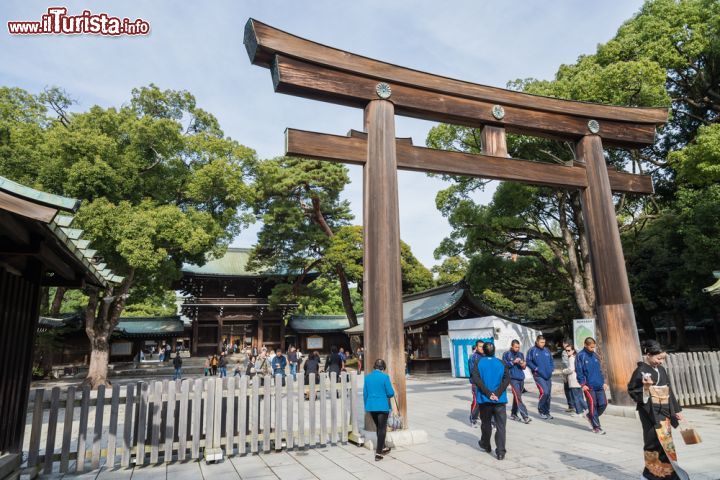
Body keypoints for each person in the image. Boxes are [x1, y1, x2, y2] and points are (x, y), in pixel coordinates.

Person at [628, 340, 686, 480]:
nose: (660, 362)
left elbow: (668, 391)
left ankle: (668, 472)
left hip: (664, 410)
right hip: (649, 411)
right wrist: (646, 388)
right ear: (648, 354)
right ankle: (650, 474)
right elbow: (633, 391)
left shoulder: (661, 370)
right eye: (658, 358)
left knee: (666, 442)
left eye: (663, 359)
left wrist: (676, 410)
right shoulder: (641, 371)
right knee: (652, 441)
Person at [471, 342, 510, 461]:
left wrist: (488, 393)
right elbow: (507, 379)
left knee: (486, 424)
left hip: (485, 399)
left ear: (484, 350)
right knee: (501, 426)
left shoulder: (478, 362)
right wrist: (497, 393)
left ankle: (486, 444)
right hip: (500, 399)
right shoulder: (501, 363)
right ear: (494, 351)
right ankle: (500, 452)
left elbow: (476, 379)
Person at [363, 359, 395, 462]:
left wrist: (367, 406)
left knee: (378, 427)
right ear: (382, 368)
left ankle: (384, 447)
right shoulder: (385, 377)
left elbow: (365, 394)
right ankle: (378, 453)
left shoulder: (367, 378)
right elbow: (390, 393)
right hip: (382, 406)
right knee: (382, 429)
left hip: (371, 406)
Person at [576, 337, 608, 434]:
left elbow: (601, 370)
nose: (592, 349)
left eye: (594, 347)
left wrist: (604, 382)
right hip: (589, 386)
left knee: (603, 404)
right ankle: (596, 427)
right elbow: (579, 371)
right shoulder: (580, 356)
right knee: (592, 405)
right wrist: (582, 384)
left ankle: (590, 416)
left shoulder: (595, 355)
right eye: (591, 347)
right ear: (585, 345)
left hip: (599, 384)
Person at [502, 340, 531, 423]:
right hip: (512, 378)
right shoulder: (506, 354)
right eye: (516, 347)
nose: (517, 348)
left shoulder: (520, 354)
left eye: (518, 347)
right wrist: (513, 362)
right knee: (518, 396)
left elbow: (524, 367)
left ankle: (513, 414)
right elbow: (504, 366)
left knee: (516, 397)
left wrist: (523, 364)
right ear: (512, 346)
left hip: (521, 378)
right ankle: (525, 416)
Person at [527, 335, 554, 419]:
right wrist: (535, 368)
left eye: (544, 342)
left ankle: (547, 412)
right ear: (537, 342)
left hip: (548, 375)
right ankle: (541, 410)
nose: (543, 344)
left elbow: (551, 361)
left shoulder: (547, 350)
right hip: (538, 376)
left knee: (548, 394)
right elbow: (528, 361)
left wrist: (551, 369)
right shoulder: (532, 350)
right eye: (541, 342)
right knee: (544, 392)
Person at [561, 344, 586, 416]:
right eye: (566, 351)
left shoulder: (571, 358)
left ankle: (580, 411)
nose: (567, 352)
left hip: (573, 380)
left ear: (573, 350)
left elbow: (571, 369)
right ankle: (584, 410)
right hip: (578, 379)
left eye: (569, 350)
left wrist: (564, 371)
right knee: (580, 396)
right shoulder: (576, 357)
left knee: (576, 397)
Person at [468, 339, 484, 426]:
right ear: (476, 347)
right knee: (477, 401)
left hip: (485, 383)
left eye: (483, 346)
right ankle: (473, 418)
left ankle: (484, 418)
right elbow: (473, 371)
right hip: (476, 383)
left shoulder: (485, 356)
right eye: (480, 346)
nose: (482, 348)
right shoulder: (473, 357)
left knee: (485, 401)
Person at [561, 340, 575, 413]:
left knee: (568, 390)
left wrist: (564, 373)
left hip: (568, 373)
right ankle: (574, 406)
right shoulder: (574, 351)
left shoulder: (565, 352)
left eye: (564, 343)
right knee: (573, 391)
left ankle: (571, 406)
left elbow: (566, 364)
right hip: (572, 374)